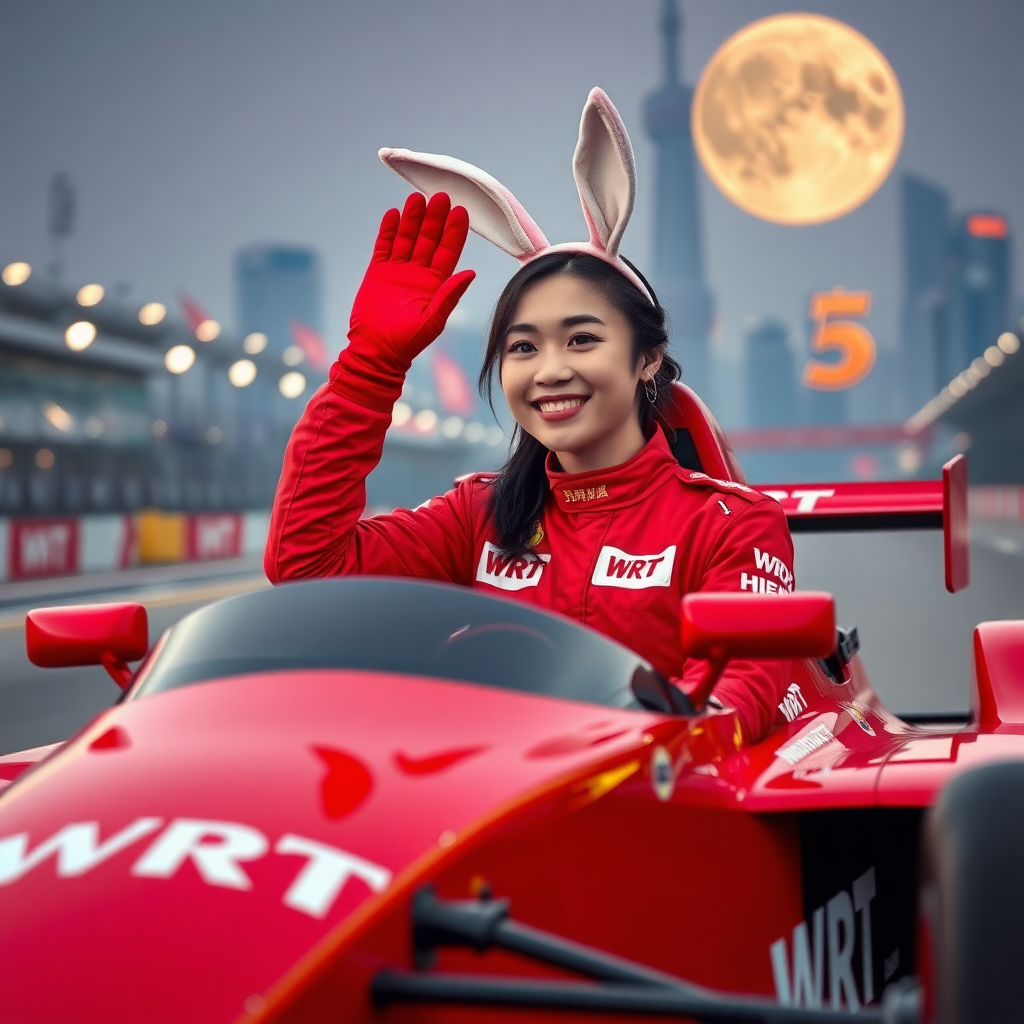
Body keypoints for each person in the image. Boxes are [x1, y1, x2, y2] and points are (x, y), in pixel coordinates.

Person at [265, 89, 795, 743]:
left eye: (582, 339)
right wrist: (371, 365)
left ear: (647, 359)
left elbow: (735, 701)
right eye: (523, 347)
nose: (549, 371)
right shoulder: (480, 517)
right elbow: (307, 567)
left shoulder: (732, 526)